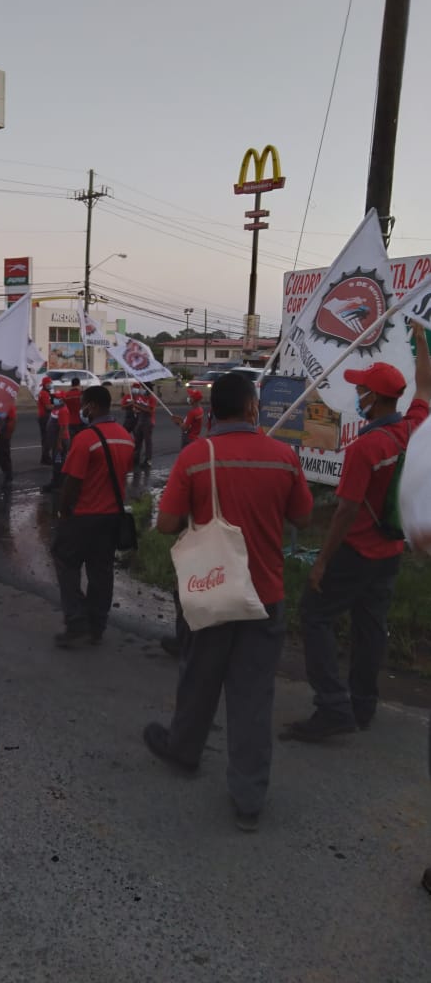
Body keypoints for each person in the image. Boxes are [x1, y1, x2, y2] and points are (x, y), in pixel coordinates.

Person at [143, 372, 313, 831]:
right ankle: (248, 799)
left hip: (210, 591)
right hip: (266, 595)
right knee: (253, 696)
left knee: (198, 678)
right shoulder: (284, 457)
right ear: (253, 408)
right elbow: (302, 517)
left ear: (212, 411)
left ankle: (183, 751)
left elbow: (166, 524)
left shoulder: (196, 457)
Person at [283, 327, 431, 742]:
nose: (358, 395)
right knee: (370, 627)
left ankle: (332, 706)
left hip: (357, 551)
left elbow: (346, 511)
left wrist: (322, 561)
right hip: (391, 550)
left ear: (376, 398)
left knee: (315, 614)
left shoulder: (365, 448)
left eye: (362, 390)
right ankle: (363, 706)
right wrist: (421, 342)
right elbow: (426, 385)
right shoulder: (415, 426)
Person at [51, 385, 134, 647]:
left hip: (84, 516)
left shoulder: (86, 438)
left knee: (66, 562)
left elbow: (72, 482)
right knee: (101, 572)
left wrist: (63, 511)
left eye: (84, 405)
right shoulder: (126, 437)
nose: (82, 410)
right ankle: (97, 625)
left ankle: (77, 622)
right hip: (111, 517)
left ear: (93, 406)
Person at [43, 392, 71, 493]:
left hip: (61, 441)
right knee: (56, 462)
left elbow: (63, 428)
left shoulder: (63, 411)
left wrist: (59, 443)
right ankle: (56, 482)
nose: (54, 399)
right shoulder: (56, 408)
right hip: (55, 440)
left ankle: (58, 484)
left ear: (62, 400)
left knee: (58, 462)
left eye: (57, 398)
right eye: (54, 397)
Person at [131, 382, 155, 469]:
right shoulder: (140, 396)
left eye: (142, 388)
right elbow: (138, 407)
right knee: (137, 440)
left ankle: (148, 460)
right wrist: (135, 408)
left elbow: (150, 411)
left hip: (148, 421)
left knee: (147, 441)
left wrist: (137, 406)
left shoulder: (152, 398)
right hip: (140, 420)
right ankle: (136, 458)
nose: (140, 389)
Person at [37, 375, 54, 464]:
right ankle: (45, 457)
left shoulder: (45, 393)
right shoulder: (44, 393)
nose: (51, 384)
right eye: (49, 383)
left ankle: (45, 457)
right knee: (47, 438)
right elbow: (48, 407)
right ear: (46, 384)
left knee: (46, 438)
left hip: (43, 417)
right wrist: (57, 405)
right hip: (45, 417)